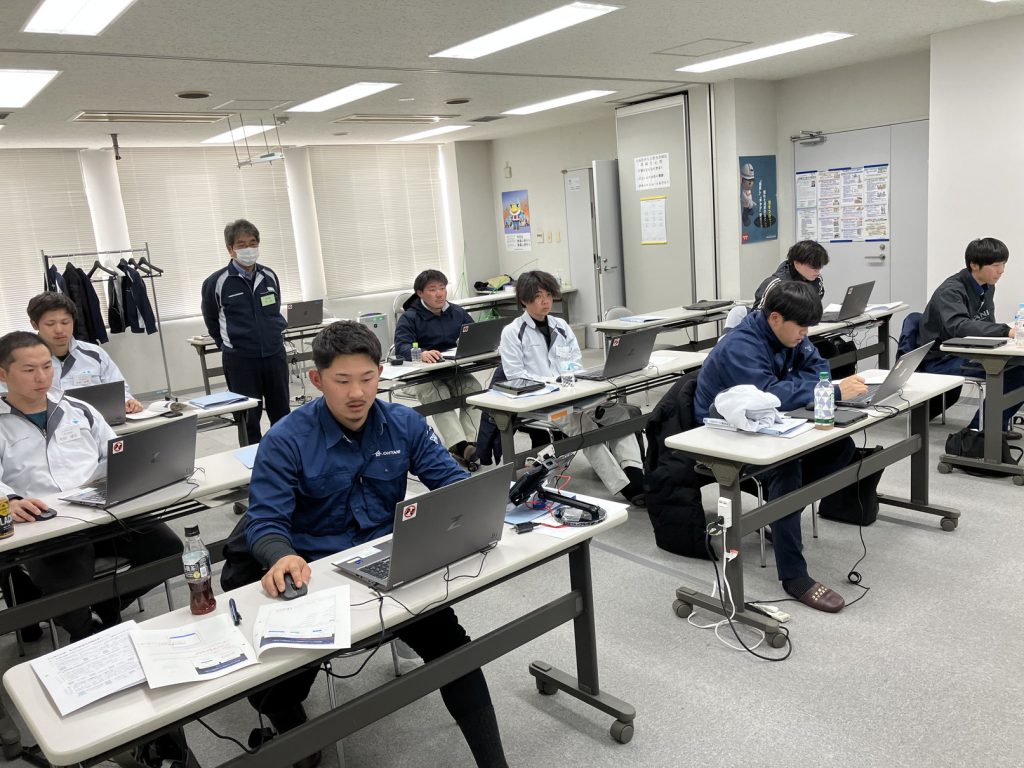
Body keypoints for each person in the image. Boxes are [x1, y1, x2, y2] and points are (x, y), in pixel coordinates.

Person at [240, 321, 507, 768]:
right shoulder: (286, 439)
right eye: (342, 381)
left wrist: (483, 504)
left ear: (380, 373)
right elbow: (264, 521)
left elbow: (451, 483)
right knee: (273, 690)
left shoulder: (403, 423)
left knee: (456, 654)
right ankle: (296, 734)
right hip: (316, 579)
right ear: (316, 379)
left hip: (392, 566)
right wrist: (282, 555)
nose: (357, 393)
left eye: (367, 378)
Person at [695, 282, 869, 613]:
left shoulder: (790, 335)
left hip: (768, 424)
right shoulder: (741, 346)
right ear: (775, 318)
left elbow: (820, 370)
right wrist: (822, 391)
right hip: (723, 434)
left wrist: (793, 387)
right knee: (786, 468)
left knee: (841, 448)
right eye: (801, 327)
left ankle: (779, 516)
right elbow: (770, 395)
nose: (805, 335)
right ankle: (794, 576)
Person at [0, 331, 183, 642]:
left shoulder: (77, 408)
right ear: (3, 374)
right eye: (29, 370)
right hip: (47, 524)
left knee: (168, 551)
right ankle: (87, 631)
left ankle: (105, 605)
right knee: (68, 590)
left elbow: (115, 451)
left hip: (102, 508)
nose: (42, 377)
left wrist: (129, 473)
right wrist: (12, 500)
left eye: (47, 366)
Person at [498, 270, 647, 506]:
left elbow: (574, 363)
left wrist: (573, 381)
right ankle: (626, 486)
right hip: (541, 403)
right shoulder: (512, 332)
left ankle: (634, 471)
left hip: (572, 394)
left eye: (548, 295)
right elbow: (516, 376)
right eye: (538, 296)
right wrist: (553, 383)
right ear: (524, 300)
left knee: (619, 414)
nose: (545, 301)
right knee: (582, 425)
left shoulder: (561, 326)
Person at [918, 237, 1024, 436]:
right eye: (996, 265)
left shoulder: (987, 285)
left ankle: (993, 428)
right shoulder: (951, 291)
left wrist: (1006, 337)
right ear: (974, 265)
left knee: (1019, 364)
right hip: (942, 358)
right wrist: (1005, 331)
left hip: (967, 351)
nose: (1002, 271)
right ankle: (979, 433)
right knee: (1013, 372)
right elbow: (959, 327)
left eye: (1003, 264)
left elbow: (985, 324)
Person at [201, 219, 290, 444]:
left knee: (282, 415)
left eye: (252, 243)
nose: (248, 249)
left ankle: (285, 457)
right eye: (241, 244)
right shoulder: (216, 282)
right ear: (230, 249)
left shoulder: (269, 276)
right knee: (248, 418)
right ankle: (251, 462)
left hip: (274, 355)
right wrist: (227, 345)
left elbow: (274, 310)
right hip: (240, 361)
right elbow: (211, 319)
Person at [393, 269, 483, 471]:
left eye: (442, 288)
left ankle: (473, 443)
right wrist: (422, 353)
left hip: (451, 368)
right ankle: (459, 446)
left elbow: (475, 333)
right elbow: (401, 347)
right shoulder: (410, 317)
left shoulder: (456, 312)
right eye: (433, 289)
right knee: (438, 395)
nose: (439, 294)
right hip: (422, 374)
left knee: (474, 389)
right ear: (420, 293)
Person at [24, 291, 143, 413]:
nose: (59, 330)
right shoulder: (24, 360)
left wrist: (128, 402)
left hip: (98, 419)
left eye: (65, 322)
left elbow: (119, 390)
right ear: (35, 325)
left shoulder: (95, 354)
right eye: (50, 324)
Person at [752, 240, 829, 310]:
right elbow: (757, 316)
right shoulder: (775, 284)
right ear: (796, 263)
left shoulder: (817, 279)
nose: (818, 272)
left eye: (820, 266)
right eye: (813, 267)